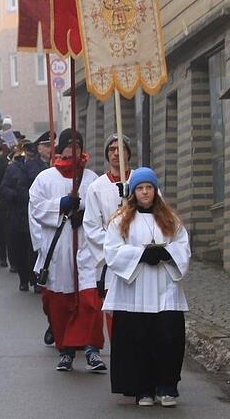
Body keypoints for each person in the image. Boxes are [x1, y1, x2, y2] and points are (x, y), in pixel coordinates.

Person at [103, 168, 190, 407]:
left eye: (149, 188)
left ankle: (167, 387)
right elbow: (112, 251)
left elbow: (182, 246)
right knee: (138, 341)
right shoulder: (120, 220)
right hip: (135, 291)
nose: (145, 192)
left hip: (164, 288)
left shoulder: (170, 220)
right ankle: (143, 389)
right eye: (140, 188)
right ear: (134, 192)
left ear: (155, 190)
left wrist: (165, 252)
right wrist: (140, 255)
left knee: (167, 339)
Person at [28, 128, 106, 373]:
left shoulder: (92, 179)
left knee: (89, 301)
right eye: (69, 145)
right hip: (60, 247)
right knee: (61, 303)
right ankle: (66, 351)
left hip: (85, 246)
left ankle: (92, 348)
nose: (74, 150)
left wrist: (85, 216)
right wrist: (60, 206)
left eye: (78, 145)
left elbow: (102, 211)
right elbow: (36, 208)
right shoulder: (45, 179)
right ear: (61, 149)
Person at [83, 134, 133, 335]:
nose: (116, 153)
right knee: (115, 311)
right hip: (113, 260)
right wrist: (115, 247)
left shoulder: (142, 182)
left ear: (128, 153)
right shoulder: (97, 188)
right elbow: (92, 226)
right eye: (111, 149)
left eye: (120, 148)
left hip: (139, 256)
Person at [0, 132, 52, 291]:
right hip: (20, 213)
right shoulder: (18, 167)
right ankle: (25, 278)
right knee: (22, 249)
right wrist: (16, 197)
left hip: (40, 214)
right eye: (47, 145)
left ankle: (36, 280)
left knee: (35, 249)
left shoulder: (51, 164)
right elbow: (7, 188)